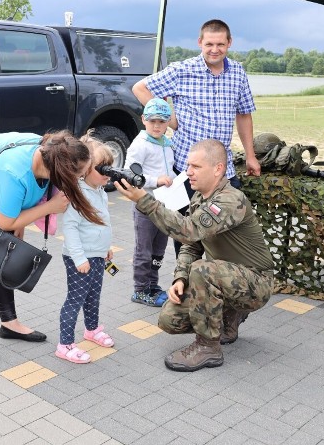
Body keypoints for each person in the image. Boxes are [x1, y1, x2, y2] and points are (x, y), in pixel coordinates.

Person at [0, 131, 103, 363]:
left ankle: (9, 323)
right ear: (59, 171)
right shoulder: (14, 171)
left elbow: (15, 212)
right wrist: (50, 208)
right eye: (77, 174)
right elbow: (5, 221)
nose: (80, 179)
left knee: (3, 253)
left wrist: (21, 221)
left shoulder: (52, 151)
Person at [115, 139, 274, 372]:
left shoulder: (230, 199)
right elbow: (191, 243)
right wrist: (180, 278)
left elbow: (188, 229)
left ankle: (208, 347)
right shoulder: (200, 198)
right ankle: (230, 315)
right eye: (188, 165)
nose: (188, 172)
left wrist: (144, 200)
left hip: (256, 282)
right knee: (169, 318)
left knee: (203, 270)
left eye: (196, 167)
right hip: (227, 278)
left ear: (218, 169)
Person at [132, 19, 261, 255]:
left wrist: (251, 156)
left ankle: (219, 282)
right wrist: (170, 119)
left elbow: (244, 115)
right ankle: (185, 284)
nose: (215, 49)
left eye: (221, 44)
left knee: (226, 237)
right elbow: (140, 88)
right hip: (186, 172)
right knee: (187, 238)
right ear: (200, 42)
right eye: (209, 43)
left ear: (229, 43)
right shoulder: (182, 70)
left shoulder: (238, 73)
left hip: (224, 173)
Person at [55, 137, 116, 363]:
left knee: (93, 296)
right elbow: (70, 228)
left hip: (97, 256)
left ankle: (91, 329)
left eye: (109, 166)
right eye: (102, 168)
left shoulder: (99, 190)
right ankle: (65, 344)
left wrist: (105, 248)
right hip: (79, 259)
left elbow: (100, 222)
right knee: (76, 299)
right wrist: (79, 258)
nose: (107, 172)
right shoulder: (78, 193)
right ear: (85, 169)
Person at [125, 98, 176, 307]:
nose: (157, 125)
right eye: (153, 121)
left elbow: (168, 169)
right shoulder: (140, 145)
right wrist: (156, 181)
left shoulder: (166, 143)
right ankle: (140, 289)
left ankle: (152, 285)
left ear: (168, 123)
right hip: (144, 205)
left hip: (163, 206)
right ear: (143, 119)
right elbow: (130, 174)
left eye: (162, 122)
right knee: (143, 250)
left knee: (158, 249)